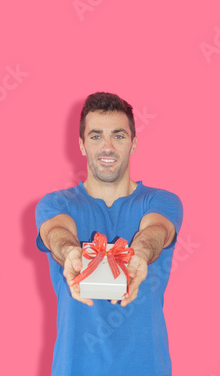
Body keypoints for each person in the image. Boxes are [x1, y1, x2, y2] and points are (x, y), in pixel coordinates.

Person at [35, 92, 183, 376]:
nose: (107, 147)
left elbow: (156, 231)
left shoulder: (161, 201)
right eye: (95, 136)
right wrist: (69, 253)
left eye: (118, 136)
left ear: (133, 143)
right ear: (81, 145)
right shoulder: (57, 204)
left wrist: (140, 253)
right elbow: (56, 231)